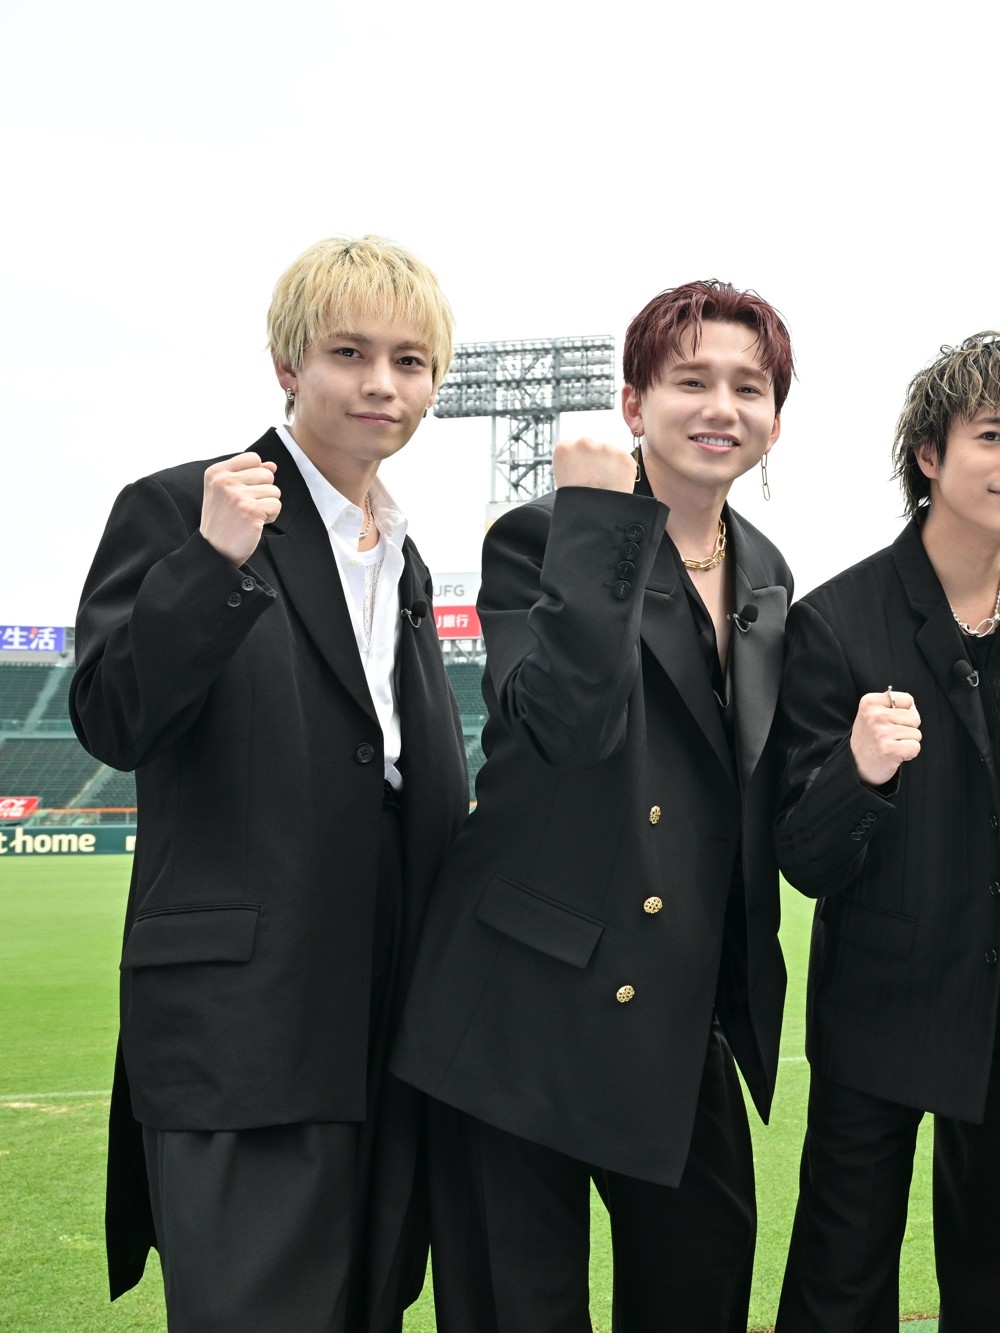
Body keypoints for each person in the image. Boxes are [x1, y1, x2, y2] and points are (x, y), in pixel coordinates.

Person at [71, 234, 467, 1330]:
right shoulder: (177, 509)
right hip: (241, 1031)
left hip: (388, 1015)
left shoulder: (403, 554)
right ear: (288, 365)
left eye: (409, 361)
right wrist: (211, 565)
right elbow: (110, 717)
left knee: (370, 1305)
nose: (382, 384)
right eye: (349, 352)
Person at [390, 281, 796, 1330]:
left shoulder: (765, 571)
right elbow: (566, 726)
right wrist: (603, 525)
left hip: (676, 1009)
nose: (721, 406)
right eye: (690, 380)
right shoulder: (541, 536)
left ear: (775, 418)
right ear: (632, 404)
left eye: (749, 386)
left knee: (702, 1282)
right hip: (518, 1008)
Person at [772, 332, 1000, 1331]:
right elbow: (805, 855)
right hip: (883, 992)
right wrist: (859, 770)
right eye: (993, 436)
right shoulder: (834, 621)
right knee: (841, 1276)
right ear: (929, 454)